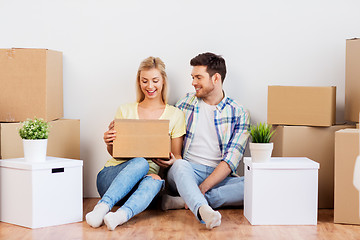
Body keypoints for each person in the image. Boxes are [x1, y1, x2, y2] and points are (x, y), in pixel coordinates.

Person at [86, 56, 186, 231]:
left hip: (143, 189)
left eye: (155, 80)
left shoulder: (175, 114)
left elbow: (177, 156)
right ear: (139, 82)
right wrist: (109, 142)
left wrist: (171, 161)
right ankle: (101, 208)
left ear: (163, 81)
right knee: (140, 162)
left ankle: (119, 217)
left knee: (155, 179)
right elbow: (115, 153)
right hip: (112, 179)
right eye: (144, 81)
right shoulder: (125, 110)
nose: (150, 86)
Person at [157, 52, 250, 229]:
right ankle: (201, 209)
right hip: (187, 171)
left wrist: (203, 187)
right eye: (192, 77)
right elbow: (164, 134)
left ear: (216, 78)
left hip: (221, 176)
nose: (193, 82)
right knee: (179, 165)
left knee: (255, 184)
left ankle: (182, 201)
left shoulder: (239, 112)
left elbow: (231, 160)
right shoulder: (184, 104)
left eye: (198, 77)